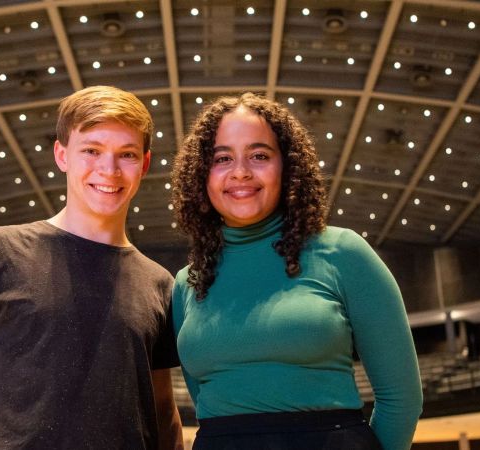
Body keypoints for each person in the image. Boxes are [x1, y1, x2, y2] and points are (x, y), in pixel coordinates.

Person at [0, 86, 182, 449]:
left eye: (127, 154)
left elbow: (162, 412)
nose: (109, 169)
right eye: (91, 150)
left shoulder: (159, 284)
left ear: (145, 164)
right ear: (61, 154)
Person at [170, 93, 423, 450]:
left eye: (259, 156)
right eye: (222, 158)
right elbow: (203, 400)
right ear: (201, 174)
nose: (240, 171)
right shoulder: (187, 282)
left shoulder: (343, 253)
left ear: (287, 167)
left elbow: (401, 399)